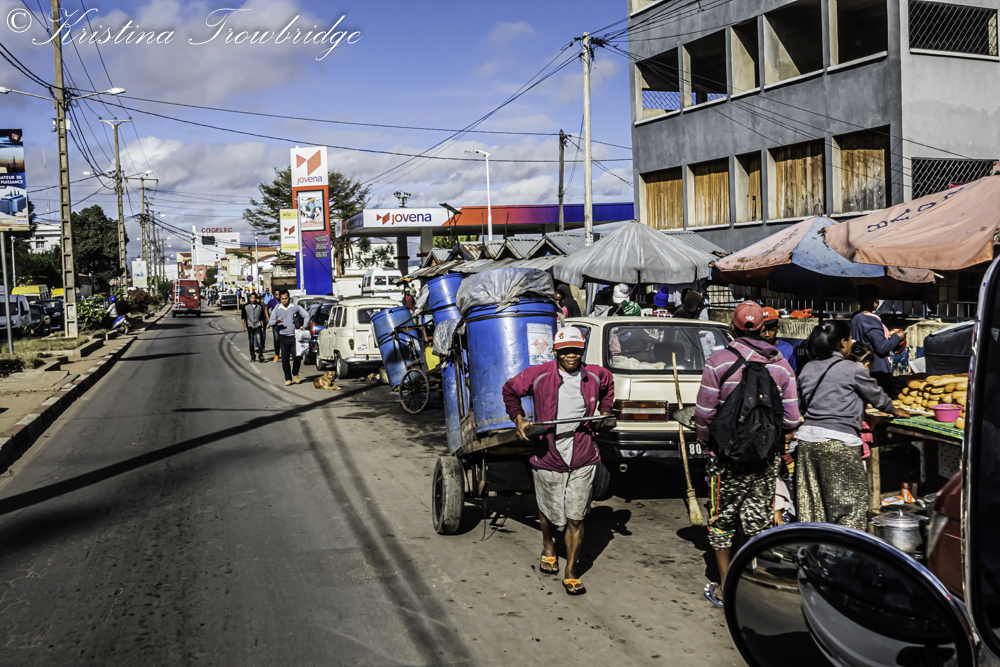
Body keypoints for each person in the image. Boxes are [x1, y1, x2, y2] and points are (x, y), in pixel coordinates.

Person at [694, 301, 801, 607]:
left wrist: (708, 445)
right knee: (758, 522)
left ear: (733, 327)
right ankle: (753, 586)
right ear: (765, 328)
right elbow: (792, 419)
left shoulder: (718, 361)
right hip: (765, 459)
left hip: (725, 458)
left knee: (721, 522)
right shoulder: (781, 365)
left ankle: (726, 587)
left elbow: (704, 414)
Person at [501, 327, 615, 596]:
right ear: (555, 351)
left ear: (582, 350)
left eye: (576, 350)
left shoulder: (596, 375)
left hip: (583, 456)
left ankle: (571, 571)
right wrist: (519, 420)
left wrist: (605, 412)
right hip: (548, 455)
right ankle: (548, 545)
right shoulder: (538, 374)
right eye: (565, 351)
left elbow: (609, 387)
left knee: (576, 517)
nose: (570, 355)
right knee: (548, 510)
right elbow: (509, 390)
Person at [795, 322, 909, 530]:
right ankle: (845, 548)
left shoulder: (807, 368)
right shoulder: (853, 368)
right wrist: (894, 409)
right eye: (849, 339)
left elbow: (801, 404)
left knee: (813, 506)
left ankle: (815, 546)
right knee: (850, 506)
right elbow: (877, 397)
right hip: (839, 442)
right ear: (842, 343)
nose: (851, 343)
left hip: (807, 442)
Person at [851, 284, 905, 390]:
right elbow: (882, 347)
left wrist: (888, 334)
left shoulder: (856, 317)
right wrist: (897, 338)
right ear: (874, 300)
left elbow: (870, 338)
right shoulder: (869, 320)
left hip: (860, 366)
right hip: (876, 370)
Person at [268, 290, 310, 385]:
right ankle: (288, 378)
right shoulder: (277, 308)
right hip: (283, 337)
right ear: (280, 299)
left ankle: (295, 374)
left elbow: (306, 315)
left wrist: (304, 326)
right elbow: (270, 322)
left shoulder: (295, 307)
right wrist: (276, 321)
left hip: (295, 337)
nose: (284, 301)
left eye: (286, 298)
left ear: (289, 298)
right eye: (282, 299)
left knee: (296, 357)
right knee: (285, 359)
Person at [761, 307, 797, 373]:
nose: (767, 334)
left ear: (777, 328)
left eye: (771, 330)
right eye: (763, 330)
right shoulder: (751, 348)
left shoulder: (787, 348)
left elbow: (792, 373)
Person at [241, 292, 266, 362]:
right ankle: (253, 355)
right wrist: (243, 326)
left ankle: (261, 355)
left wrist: (262, 326)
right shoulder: (245, 307)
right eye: (252, 298)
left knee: (259, 341)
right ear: (249, 298)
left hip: (258, 325)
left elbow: (261, 317)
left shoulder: (259, 307)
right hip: (250, 326)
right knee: (251, 342)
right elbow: (243, 317)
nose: (253, 299)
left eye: (254, 298)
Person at [265, 289, 282, 363]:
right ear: (274, 295)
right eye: (276, 294)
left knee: (283, 338)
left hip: (283, 323)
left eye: (279, 294)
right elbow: (266, 309)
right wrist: (269, 320)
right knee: (276, 339)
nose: (278, 296)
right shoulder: (271, 301)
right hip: (275, 324)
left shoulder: (283, 301)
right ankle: (277, 354)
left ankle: (284, 352)